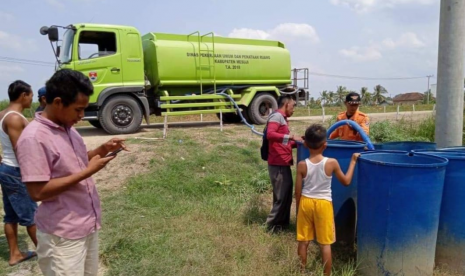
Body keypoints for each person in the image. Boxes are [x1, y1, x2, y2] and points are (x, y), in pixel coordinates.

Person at [16, 69, 128, 276]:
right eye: (78, 109)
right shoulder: (34, 138)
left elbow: (74, 162)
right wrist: (88, 172)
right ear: (58, 102)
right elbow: (38, 192)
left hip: (85, 225)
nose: (81, 116)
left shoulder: (68, 128)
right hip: (62, 236)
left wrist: (103, 149)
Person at [295, 124, 360, 275]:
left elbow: (297, 191)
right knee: (325, 244)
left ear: (305, 144)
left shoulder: (302, 165)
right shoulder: (331, 163)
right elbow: (346, 181)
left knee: (303, 241)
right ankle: (326, 274)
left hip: (306, 202)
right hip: (323, 204)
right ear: (325, 145)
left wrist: (299, 208)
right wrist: (353, 162)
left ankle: (301, 271)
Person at [0, 80, 38, 266]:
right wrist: (30, 173)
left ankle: (15, 254)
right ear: (23, 95)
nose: (32, 99)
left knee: (11, 216)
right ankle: (49, 254)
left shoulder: (2, 115)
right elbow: (19, 149)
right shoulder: (14, 118)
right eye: (31, 95)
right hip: (17, 171)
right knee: (31, 216)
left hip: (7, 169)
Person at [265, 95, 303, 232]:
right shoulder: (277, 117)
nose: (293, 109)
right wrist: (291, 136)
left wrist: (298, 142)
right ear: (286, 104)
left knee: (285, 195)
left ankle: (281, 225)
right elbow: (270, 134)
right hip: (278, 163)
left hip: (283, 161)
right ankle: (271, 226)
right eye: (293, 106)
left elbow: (282, 142)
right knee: (281, 196)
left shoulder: (283, 119)